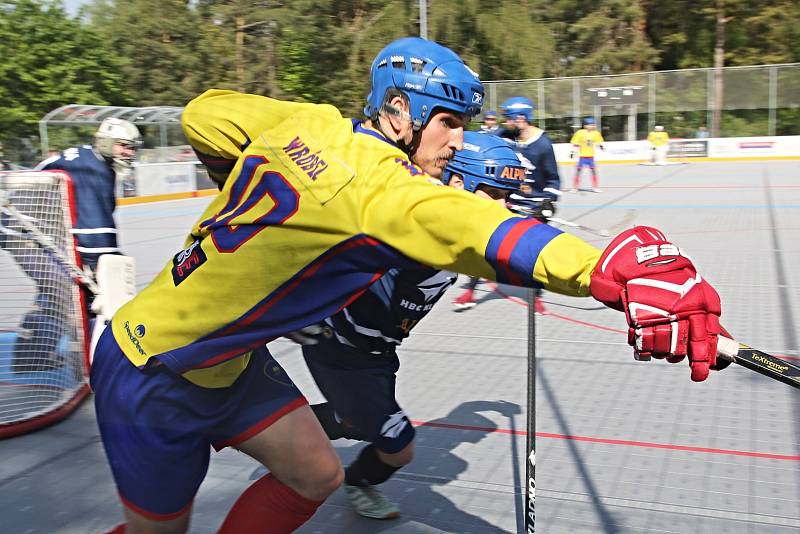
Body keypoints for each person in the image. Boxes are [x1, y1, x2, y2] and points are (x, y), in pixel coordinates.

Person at [91, 36, 724, 534]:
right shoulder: (382, 190)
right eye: (448, 121)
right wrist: (606, 269)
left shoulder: (308, 124)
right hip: (153, 371)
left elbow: (204, 112)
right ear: (399, 110)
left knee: (314, 475)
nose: (458, 140)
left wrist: (241, 173)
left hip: (229, 362)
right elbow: (481, 229)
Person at [301, 131, 527, 520]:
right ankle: (358, 481)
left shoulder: (465, 233)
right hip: (341, 347)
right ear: (459, 183)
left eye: (510, 196)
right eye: (495, 193)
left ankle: (276, 425)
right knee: (399, 443)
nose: (505, 206)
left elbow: (507, 252)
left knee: (355, 421)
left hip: (378, 351)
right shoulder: (410, 226)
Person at [1, 119, 140, 372]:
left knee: (59, 289)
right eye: (124, 146)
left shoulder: (90, 159)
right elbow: (95, 238)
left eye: (132, 148)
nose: (130, 153)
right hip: (23, 231)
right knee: (68, 290)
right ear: (107, 143)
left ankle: (32, 357)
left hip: (27, 228)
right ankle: (83, 360)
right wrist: (108, 270)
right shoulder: (93, 170)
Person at [453, 96, 559, 314]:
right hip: (507, 204)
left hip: (534, 207)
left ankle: (535, 297)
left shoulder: (542, 144)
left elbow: (553, 180)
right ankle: (470, 291)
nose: (504, 123)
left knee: (529, 255)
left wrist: (548, 202)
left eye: (508, 118)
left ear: (521, 118)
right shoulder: (505, 137)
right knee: (483, 247)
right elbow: (483, 139)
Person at [570, 117, 605, 192]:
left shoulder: (596, 133)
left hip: (591, 156)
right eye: (590, 124)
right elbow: (576, 143)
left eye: (593, 124)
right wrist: (573, 152)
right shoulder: (580, 133)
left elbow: (598, 142)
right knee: (578, 172)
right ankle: (575, 188)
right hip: (582, 156)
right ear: (585, 125)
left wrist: (601, 146)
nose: (592, 126)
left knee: (593, 171)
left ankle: (595, 187)